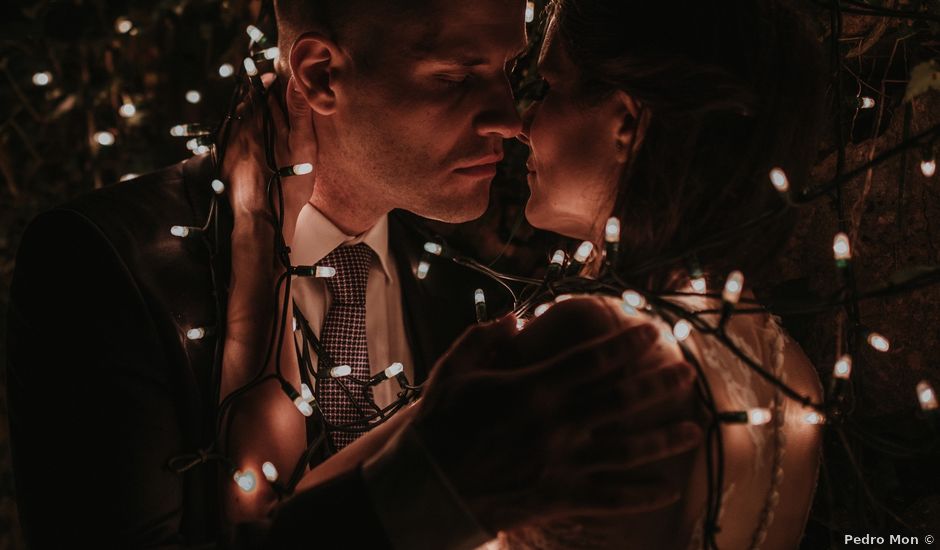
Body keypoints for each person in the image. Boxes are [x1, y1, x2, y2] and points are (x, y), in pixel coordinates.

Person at [5, 0, 703, 548]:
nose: (508, 120)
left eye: (510, 73)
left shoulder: (476, 291)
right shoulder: (107, 261)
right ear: (320, 75)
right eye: (459, 75)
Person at [480, 0, 827, 548]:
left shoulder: (594, 349)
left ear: (626, 123)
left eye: (549, 88)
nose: (523, 124)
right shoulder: (793, 376)